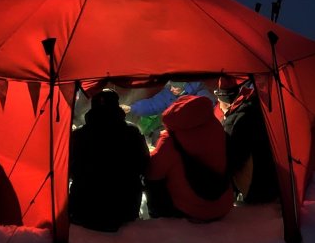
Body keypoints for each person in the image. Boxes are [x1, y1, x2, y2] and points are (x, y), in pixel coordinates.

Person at [69, 89, 150, 232]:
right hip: (125, 210)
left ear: (92, 106)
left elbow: (68, 170)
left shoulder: (78, 135)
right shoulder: (132, 132)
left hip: (84, 210)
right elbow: (144, 165)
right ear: (117, 106)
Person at [145, 94, 233, 222]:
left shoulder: (170, 140)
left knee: (153, 180)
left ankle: (159, 217)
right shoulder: (216, 126)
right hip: (223, 204)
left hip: (193, 210)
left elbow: (153, 172)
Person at [217, 75, 279, 205]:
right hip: (275, 179)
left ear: (224, 101)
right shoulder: (255, 105)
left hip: (258, 189)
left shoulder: (234, 122)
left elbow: (231, 161)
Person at [125, 78, 214, 144]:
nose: (171, 89)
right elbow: (153, 104)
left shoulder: (202, 96)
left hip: (194, 134)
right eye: (171, 86)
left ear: (185, 86)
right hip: (176, 129)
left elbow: (200, 119)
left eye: (175, 87)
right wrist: (131, 108)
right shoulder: (169, 93)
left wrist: (176, 130)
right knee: (157, 135)